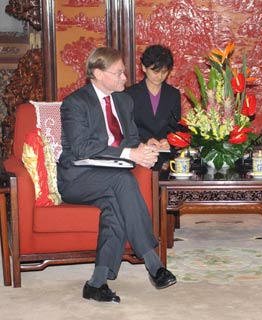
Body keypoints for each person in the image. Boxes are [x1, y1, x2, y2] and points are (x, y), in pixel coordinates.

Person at [57, 47, 176, 304]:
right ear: (98, 73)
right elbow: (81, 148)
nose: (125, 78)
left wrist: (143, 149)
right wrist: (130, 155)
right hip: (79, 178)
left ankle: (96, 283)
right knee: (123, 181)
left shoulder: (124, 101)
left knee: (115, 207)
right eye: (119, 72)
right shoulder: (75, 103)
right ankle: (153, 263)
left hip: (112, 176)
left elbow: (131, 139)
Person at [125, 44, 181, 168]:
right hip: (139, 155)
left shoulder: (173, 94)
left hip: (165, 157)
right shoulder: (129, 94)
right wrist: (145, 140)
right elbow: (126, 129)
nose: (159, 76)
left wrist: (168, 141)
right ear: (144, 68)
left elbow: (175, 127)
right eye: (155, 71)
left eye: (164, 72)